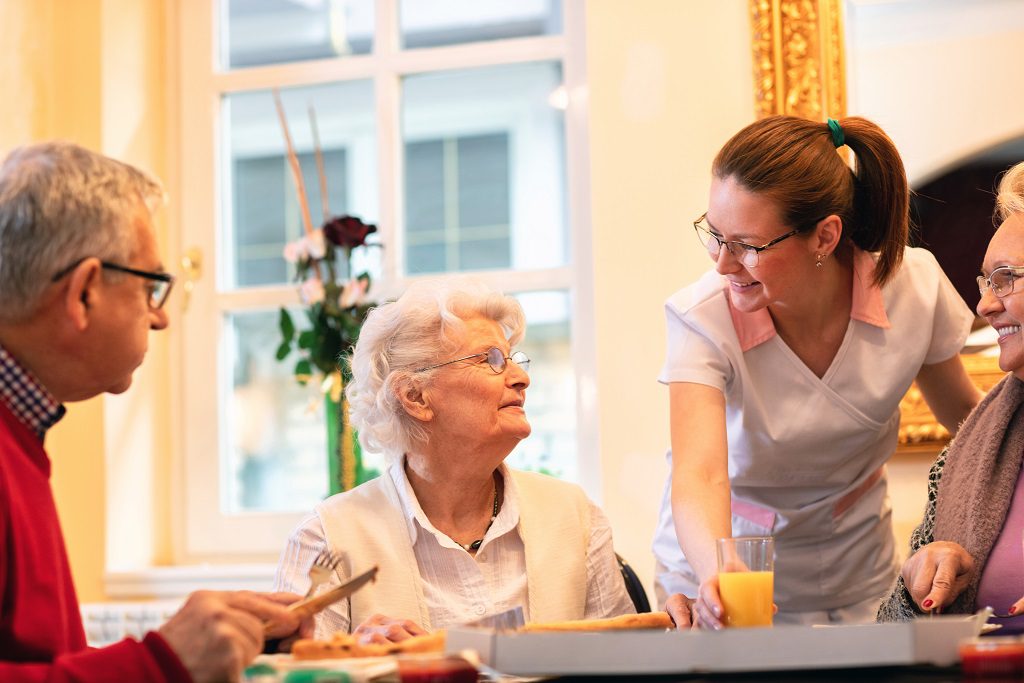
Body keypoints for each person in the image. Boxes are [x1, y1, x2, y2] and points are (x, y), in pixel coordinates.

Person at [651, 115, 984, 628]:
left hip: (856, 562)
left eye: (747, 245)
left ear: (825, 236)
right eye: (714, 235)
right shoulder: (703, 316)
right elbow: (701, 472)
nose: (722, 263)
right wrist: (719, 570)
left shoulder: (913, 288)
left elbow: (970, 423)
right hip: (726, 560)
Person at [0, 141, 309, 681]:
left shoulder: (21, 432)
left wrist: (216, 647)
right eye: (151, 289)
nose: (160, 319)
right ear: (85, 293)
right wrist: (160, 663)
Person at [274, 277, 645, 643]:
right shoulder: (326, 539)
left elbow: (627, 667)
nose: (520, 378)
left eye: (514, 359)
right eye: (492, 360)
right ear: (415, 396)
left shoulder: (575, 516)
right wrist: (358, 662)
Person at [878, 161, 1024, 630]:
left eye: (1006, 277)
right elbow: (893, 633)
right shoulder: (971, 450)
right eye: (986, 281)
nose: (985, 304)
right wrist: (915, 582)